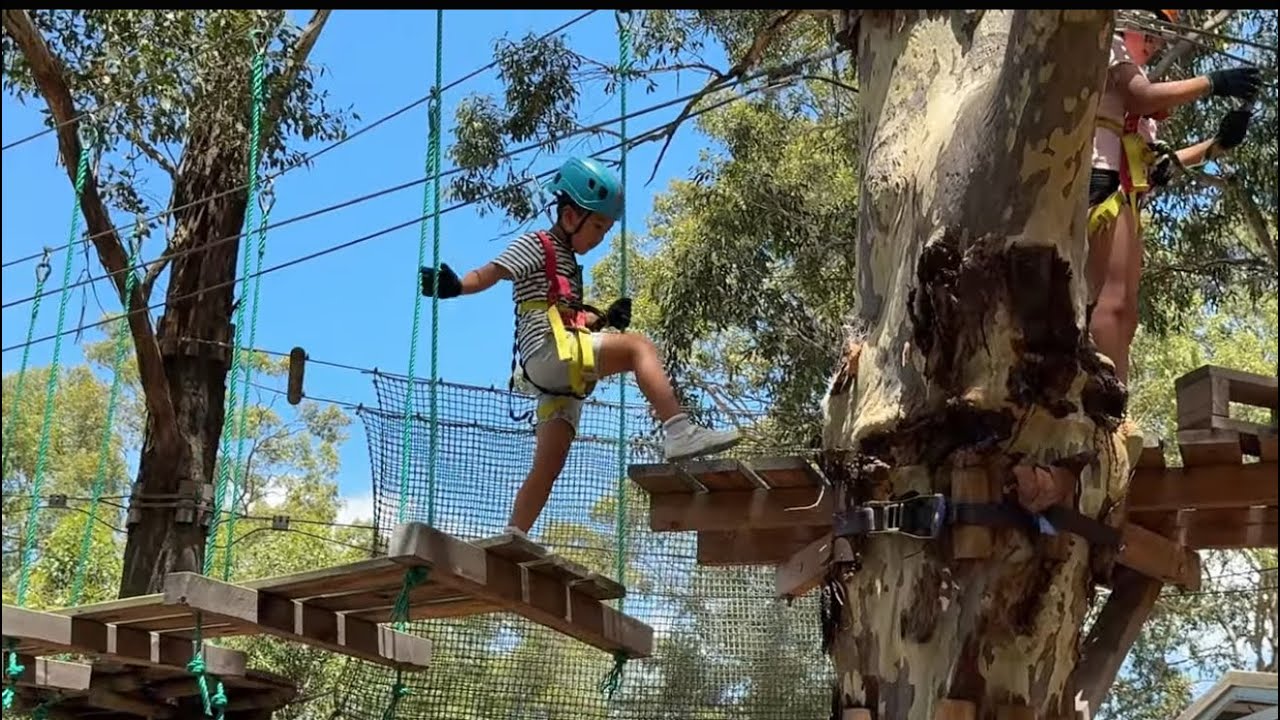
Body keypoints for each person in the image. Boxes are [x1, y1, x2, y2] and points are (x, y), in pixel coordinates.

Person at [419, 156, 741, 534]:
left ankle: (513, 534)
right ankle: (678, 430)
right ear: (571, 217)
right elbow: (493, 272)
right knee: (639, 348)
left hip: (556, 367)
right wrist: (458, 287)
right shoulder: (537, 245)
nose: (601, 237)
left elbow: (570, 319)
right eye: (599, 226)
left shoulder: (567, 263)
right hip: (548, 352)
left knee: (549, 465)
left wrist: (605, 319)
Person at [1086, 8, 1260, 385]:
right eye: (1149, 29)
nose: (1155, 41)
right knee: (1109, 301)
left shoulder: (1133, 73)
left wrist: (1216, 145)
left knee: (1126, 311)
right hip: (1101, 183)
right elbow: (1141, 97)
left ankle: (1116, 396)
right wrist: (1214, 82)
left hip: (1128, 190)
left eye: (1161, 33)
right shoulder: (1106, 47)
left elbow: (1155, 163)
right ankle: (1101, 395)